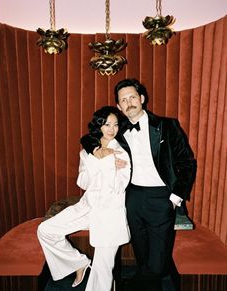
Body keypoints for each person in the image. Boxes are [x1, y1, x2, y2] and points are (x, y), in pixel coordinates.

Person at [112, 78, 197, 291]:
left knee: (158, 263)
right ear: (118, 106)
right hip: (133, 197)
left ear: (142, 98)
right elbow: (90, 137)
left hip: (162, 198)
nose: (129, 102)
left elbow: (187, 162)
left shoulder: (167, 126)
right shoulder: (117, 130)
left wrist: (175, 197)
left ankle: (129, 286)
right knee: (142, 254)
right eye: (123, 100)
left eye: (132, 97)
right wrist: (98, 150)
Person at [37, 106, 131, 291]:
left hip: (110, 213)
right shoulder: (87, 152)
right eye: (107, 124)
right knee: (45, 230)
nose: (111, 129)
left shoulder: (122, 153)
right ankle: (78, 263)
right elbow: (83, 182)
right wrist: (97, 161)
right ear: (99, 126)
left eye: (115, 125)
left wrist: (110, 165)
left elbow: (119, 187)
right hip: (87, 208)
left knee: (102, 269)